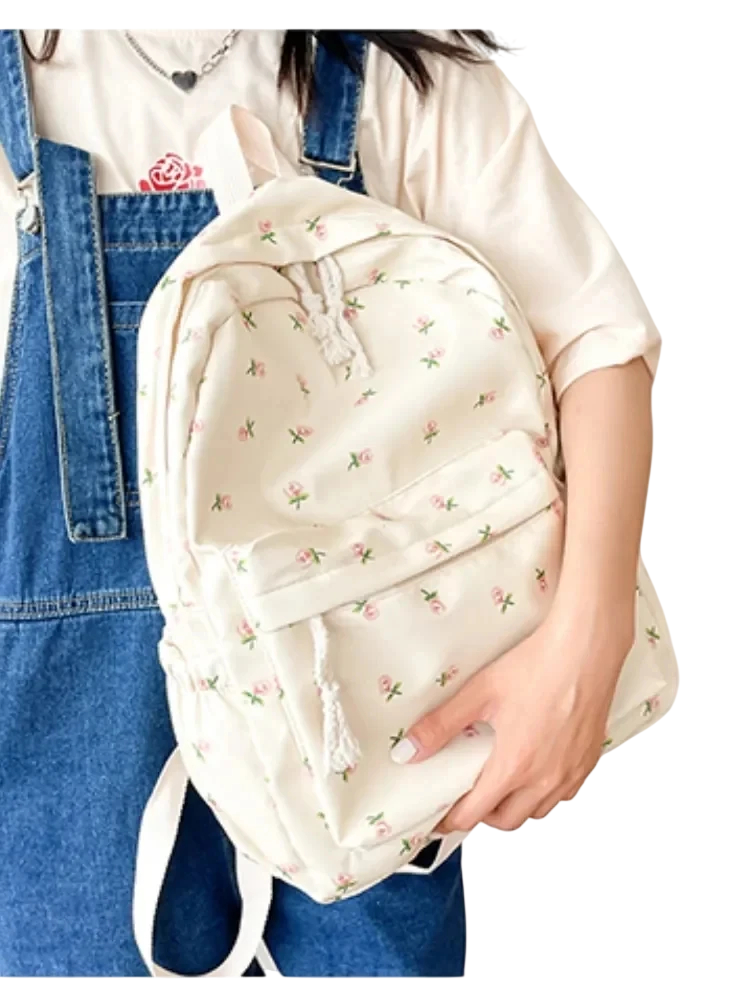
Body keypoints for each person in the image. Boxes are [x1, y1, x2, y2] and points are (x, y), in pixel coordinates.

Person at [0, 29, 661, 977]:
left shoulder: (396, 74)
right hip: (56, 753)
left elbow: (595, 342)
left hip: (357, 724)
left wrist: (589, 642)